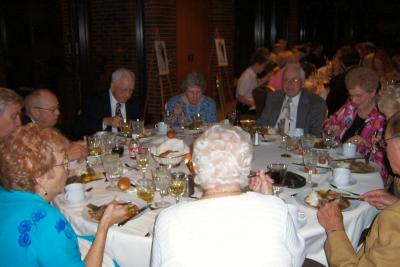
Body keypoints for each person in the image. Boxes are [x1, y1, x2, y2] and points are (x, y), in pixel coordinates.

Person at [151, 124, 305, 267]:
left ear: (195, 168)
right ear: (246, 166)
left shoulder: (168, 219)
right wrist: (271, 200)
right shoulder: (275, 207)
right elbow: (296, 260)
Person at [0, 124, 130, 266]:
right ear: (40, 176)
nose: (67, 169)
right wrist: (104, 224)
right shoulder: (48, 222)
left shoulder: (4, 192)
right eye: (63, 164)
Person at [317, 111, 400, 267]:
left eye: (385, 144)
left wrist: (335, 230)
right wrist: (396, 202)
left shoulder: (395, 220)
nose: (383, 149)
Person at [323, 67, 387, 182]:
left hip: (367, 177)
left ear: (372, 92)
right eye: (351, 95)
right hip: (340, 168)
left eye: (358, 96)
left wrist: (365, 143)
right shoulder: (350, 107)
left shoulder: (382, 117)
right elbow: (327, 123)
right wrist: (332, 128)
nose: (354, 100)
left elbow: (385, 157)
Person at [257, 63, 327, 137]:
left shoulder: (315, 103)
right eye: (286, 79)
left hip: (298, 146)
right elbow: (261, 124)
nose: (289, 83)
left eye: (295, 80)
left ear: (303, 83)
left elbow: (316, 136)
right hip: (270, 143)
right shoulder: (273, 97)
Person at [73, 68, 142, 138]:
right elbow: (78, 129)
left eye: (131, 91)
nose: (128, 95)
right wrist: (106, 121)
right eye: (124, 90)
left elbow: (138, 130)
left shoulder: (134, 103)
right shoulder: (94, 102)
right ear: (112, 86)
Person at [24, 89, 87, 161]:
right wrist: (65, 156)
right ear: (35, 112)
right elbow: (34, 165)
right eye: (53, 109)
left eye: (58, 108)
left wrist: (73, 146)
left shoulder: (46, 125)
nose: (58, 113)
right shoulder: (24, 133)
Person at [325, 46, 360, 116]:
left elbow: (329, 107)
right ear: (359, 61)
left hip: (342, 118)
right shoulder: (368, 76)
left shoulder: (338, 81)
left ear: (342, 63)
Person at [236, 48, 270, 114]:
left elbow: (255, 85)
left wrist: (267, 77)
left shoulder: (252, 74)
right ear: (257, 65)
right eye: (264, 66)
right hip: (244, 108)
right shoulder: (246, 77)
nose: (264, 68)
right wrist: (255, 104)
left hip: (250, 104)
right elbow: (239, 97)